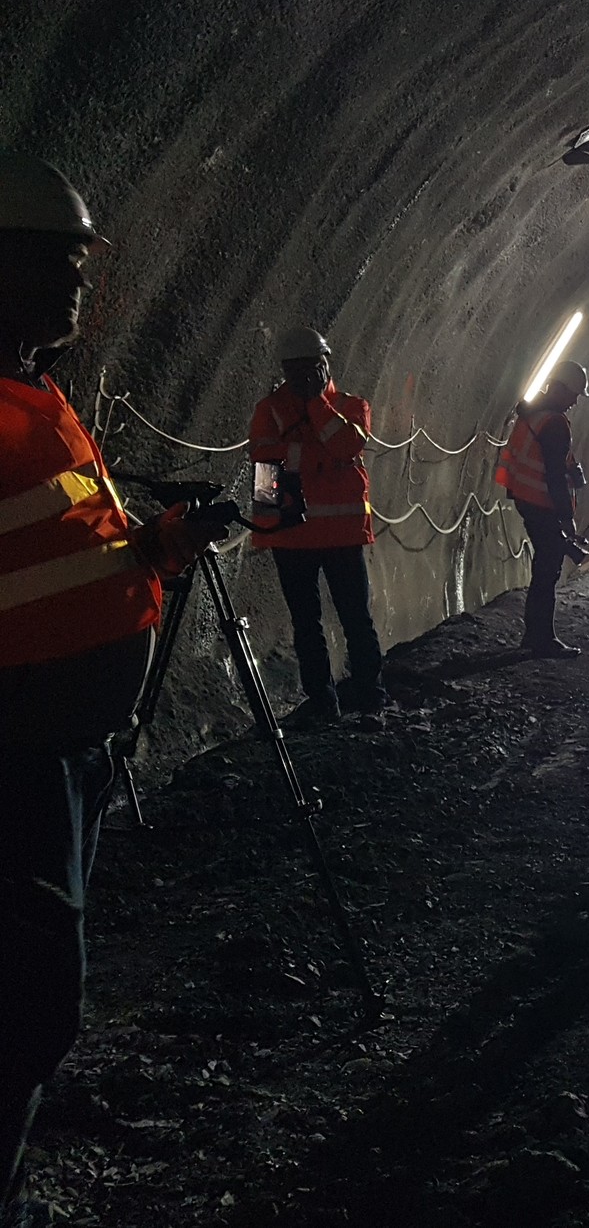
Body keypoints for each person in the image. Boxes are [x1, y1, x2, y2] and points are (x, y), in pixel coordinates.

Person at [0, 152, 227, 1227]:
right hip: (13, 764)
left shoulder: (40, 400)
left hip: (65, 759)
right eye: (58, 261)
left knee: (37, 1004)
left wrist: (172, 541)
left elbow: (82, 554)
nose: (82, 284)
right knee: (23, 1008)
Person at [247, 327, 382, 722]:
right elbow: (263, 464)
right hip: (292, 537)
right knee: (307, 626)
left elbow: (345, 446)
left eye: (312, 367)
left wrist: (317, 407)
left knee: (356, 619)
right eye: (297, 369)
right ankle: (323, 704)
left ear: (326, 364)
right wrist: (267, 529)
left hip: (340, 536)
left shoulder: (352, 406)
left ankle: (370, 698)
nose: (305, 376)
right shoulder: (269, 409)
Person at [494, 358, 589, 657]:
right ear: (560, 389)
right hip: (542, 503)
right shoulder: (555, 423)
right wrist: (567, 519)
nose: (575, 401)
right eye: (573, 394)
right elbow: (552, 477)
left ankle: (536, 636)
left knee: (544, 568)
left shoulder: (531, 415)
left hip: (526, 499)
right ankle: (540, 639)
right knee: (547, 571)